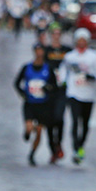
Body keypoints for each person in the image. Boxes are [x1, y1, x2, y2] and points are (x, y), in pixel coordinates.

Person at [59, 28, 96, 164]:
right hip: (74, 93)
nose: (81, 42)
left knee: (84, 123)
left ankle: (81, 145)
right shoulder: (70, 57)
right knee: (74, 121)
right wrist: (62, 82)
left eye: (84, 40)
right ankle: (75, 148)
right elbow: (62, 71)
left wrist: (93, 77)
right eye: (79, 40)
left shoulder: (94, 57)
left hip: (89, 95)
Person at [14, 43, 58, 166]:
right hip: (30, 104)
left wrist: (47, 88)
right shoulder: (26, 68)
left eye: (41, 51)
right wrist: (23, 94)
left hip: (43, 105)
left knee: (39, 131)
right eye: (37, 50)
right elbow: (16, 83)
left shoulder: (48, 69)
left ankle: (32, 154)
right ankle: (27, 132)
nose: (39, 53)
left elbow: (54, 86)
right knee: (29, 127)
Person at [42, 24, 71, 163]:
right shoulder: (46, 50)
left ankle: (58, 141)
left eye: (58, 33)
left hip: (62, 90)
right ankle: (52, 148)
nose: (56, 35)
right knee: (49, 120)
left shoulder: (67, 51)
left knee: (59, 117)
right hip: (49, 90)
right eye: (54, 33)